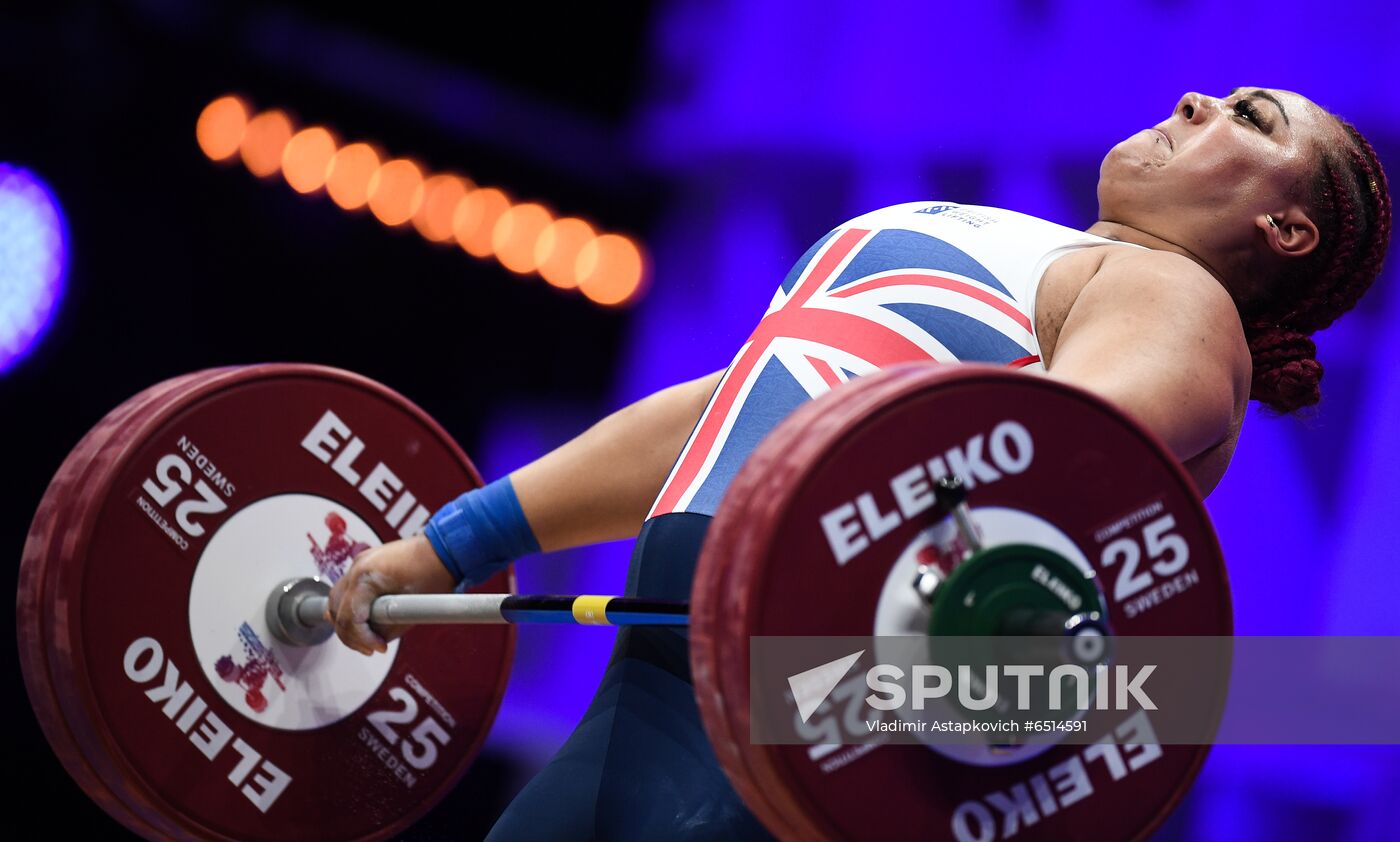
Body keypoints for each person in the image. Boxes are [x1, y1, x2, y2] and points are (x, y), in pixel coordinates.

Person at [327, 88, 1391, 839]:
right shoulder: (1019, 247)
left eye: (1250, 120)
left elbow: (1055, 456)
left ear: (1283, 228)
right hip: (660, 670)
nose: (1198, 99)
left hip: (807, 698)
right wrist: (454, 540)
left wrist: (833, 701)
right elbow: (721, 411)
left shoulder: (1174, 297)